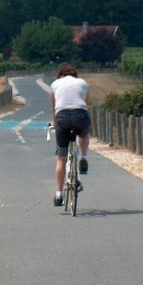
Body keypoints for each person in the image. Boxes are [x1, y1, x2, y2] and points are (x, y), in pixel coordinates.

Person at [50, 64, 91, 207]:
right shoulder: (83, 83)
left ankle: (58, 194)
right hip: (80, 115)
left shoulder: (55, 84)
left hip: (62, 117)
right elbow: (87, 103)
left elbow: (54, 108)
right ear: (75, 75)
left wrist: (56, 126)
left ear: (60, 75)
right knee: (85, 134)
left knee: (61, 158)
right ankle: (84, 158)